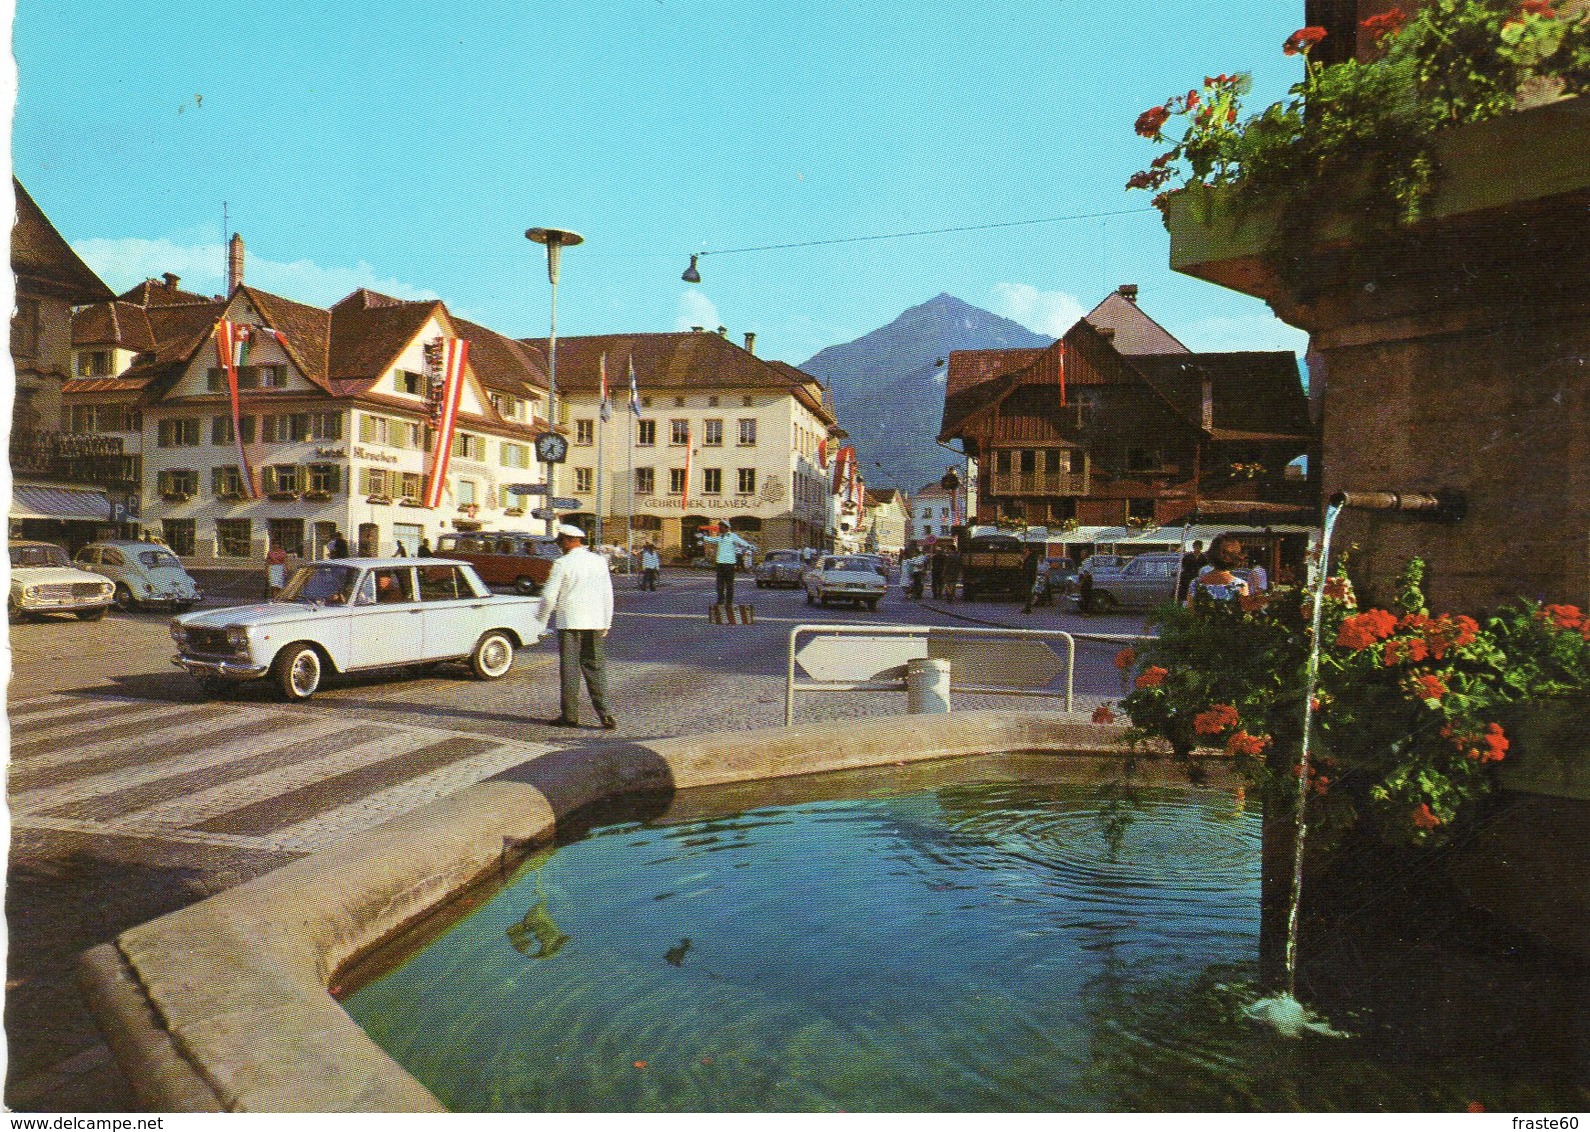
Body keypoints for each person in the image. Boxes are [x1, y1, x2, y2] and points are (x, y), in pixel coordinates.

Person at [532, 523, 617, 729]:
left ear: (569, 541)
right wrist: (606, 622)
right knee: (596, 668)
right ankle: (605, 715)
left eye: (561, 542)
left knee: (570, 670)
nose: (560, 546)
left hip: (570, 623)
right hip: (595, 623)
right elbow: (608, 594)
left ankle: (570, 716)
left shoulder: (562, 564)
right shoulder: (599, 562)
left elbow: (549, 596)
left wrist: (541, 621)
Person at [702, 519, 756, 607]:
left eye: (721, 527)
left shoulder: (732, 536)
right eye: (719, 527)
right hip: (720, 563)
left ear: (726, 528)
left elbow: (741, 542)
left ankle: (729, 601)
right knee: (719, 584)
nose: (719, 528)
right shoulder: (720, 537)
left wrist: (750, 546)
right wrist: (703, 537)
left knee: (729, 584)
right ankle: (720, 600)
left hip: (729, 564)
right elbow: (712, 540)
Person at [1188, 533, 1251, 605]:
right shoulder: (1240, 585)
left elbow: (1191, 612)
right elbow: (1244, 614)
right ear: (1235, 558)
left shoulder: (1195, 584)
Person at [1021, 545, 1045, 614]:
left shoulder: (1031, 558)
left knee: (1028, 593)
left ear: (1029, 551)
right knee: (1028, 593)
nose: (1024, 552)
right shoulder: (1031, 558)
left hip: (1029, 577)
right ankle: (1027, 608)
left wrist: (1023, 562)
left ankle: (1027, 609)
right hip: (1030, 577)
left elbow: (1029, 569)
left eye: (1026, 550)